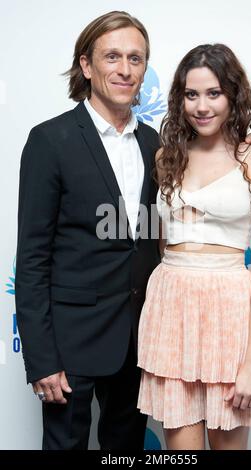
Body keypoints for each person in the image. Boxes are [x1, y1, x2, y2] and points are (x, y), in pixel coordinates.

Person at [15, 11, 161, 450]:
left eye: (136, 59)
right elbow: (33, 255)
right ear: (86, 66)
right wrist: (42, 359)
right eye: (112, 57)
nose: (125, 69)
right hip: (71, 343)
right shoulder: (49, 140)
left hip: (138, 342)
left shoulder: (154, 143)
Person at [137, 43, 251, 450]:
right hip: (172, 308)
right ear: (180, 98)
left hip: (229, 313)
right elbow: (164, 242)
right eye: (191, 95)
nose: (202, 106)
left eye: (214, 93)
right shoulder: (168, 156)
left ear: (233, 95)